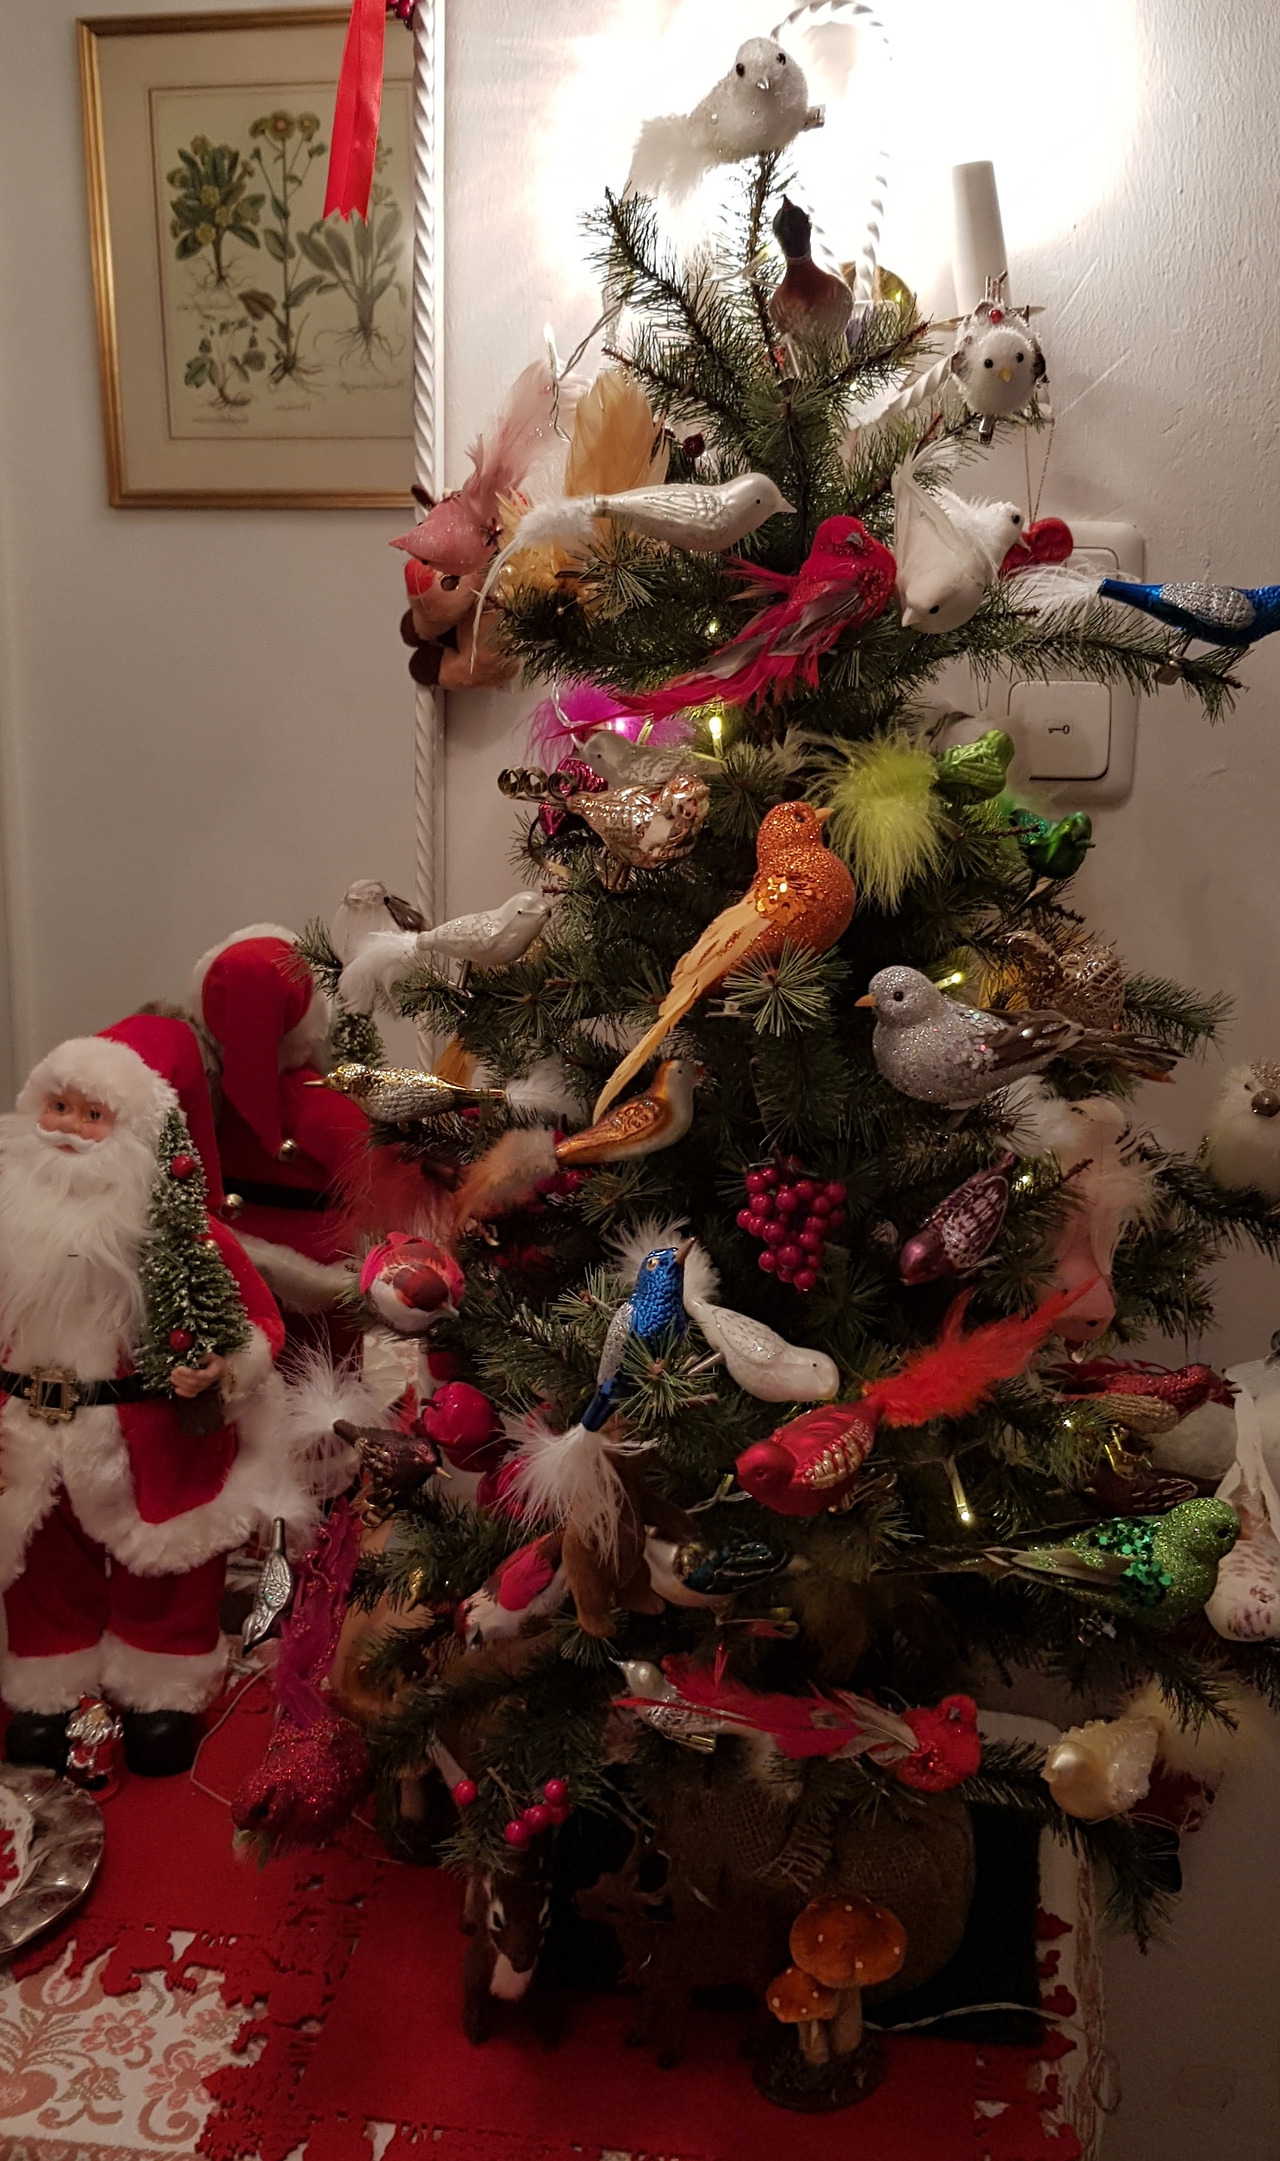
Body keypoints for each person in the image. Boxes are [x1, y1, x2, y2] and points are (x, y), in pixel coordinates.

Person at [0, 1014, 303, 1777]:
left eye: (92, 1114)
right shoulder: (9, 1224)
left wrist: (222, 1367)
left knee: (165, 1567)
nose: (69, 1129)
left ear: (135, 1132)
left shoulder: (186, 1235)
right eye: (57, 1107)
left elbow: (259, 1322)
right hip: (28, 1428)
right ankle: (50, 1687)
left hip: (149, 1435)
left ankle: (161, 1686)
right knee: (40, 1564)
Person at [193, 926, 370, 1335]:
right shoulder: (323, 1105)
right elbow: (376, 1178)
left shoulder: (204, 1098)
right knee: (321, 1368)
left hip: (227, 1264)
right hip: (318, 1284)